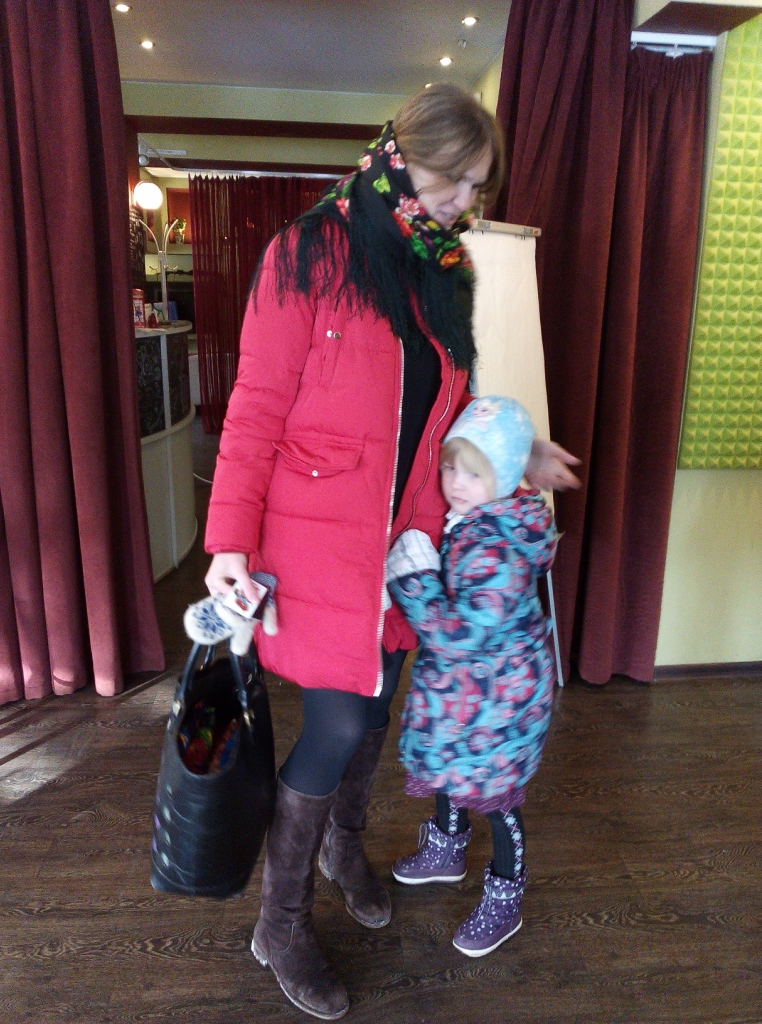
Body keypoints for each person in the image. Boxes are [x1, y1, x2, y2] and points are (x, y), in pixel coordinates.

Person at [203, 84, 580, 1020]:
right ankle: (280, 922)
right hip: (320, 539)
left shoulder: (445, 265)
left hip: (410, 541)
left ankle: (344, 846)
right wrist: (228, 541)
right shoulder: (307, 253)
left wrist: (518, 449)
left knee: (376, 711)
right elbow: (254, 409)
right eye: (457, 182)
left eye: (478, 187)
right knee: (336, 723)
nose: (467, 203)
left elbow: (449, 401)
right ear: (402, 158)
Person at [386, 395, 557, 958]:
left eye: (474, 473)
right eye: (451, 466)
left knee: (497, 798)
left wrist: (415, 583)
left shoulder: (497, 547)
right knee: (450, 766)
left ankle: (506, 896)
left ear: (504, 477)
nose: (456, 483)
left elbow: (461, 634)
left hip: (502, 700)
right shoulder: (476, 520)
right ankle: (446, 850)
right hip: (469, 692)